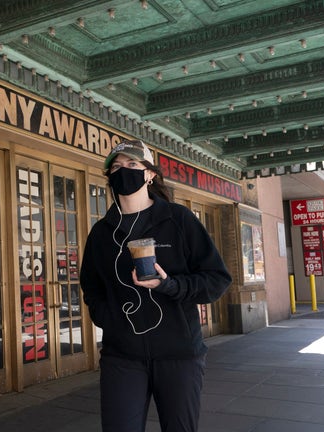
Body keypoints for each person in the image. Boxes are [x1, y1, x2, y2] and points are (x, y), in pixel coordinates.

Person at [79, 139, 232, 432]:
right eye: (117, 166)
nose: (124, 171)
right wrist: (107, 318)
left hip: (179, 355)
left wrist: (171, 285)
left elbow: (217, 279)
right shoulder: (101, 232)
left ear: (150, 174)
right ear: (109, 176)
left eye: (133, 165)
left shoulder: (178, 220)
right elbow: (92, 285)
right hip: (122, 356)